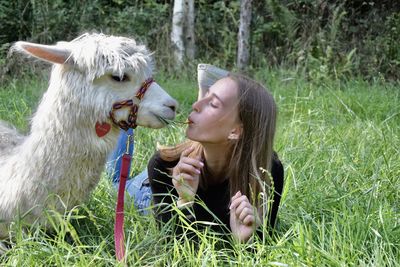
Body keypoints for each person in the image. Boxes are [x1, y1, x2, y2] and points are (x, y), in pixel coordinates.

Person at [107, 64, 284, 243]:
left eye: (213, 103)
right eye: (205, 95)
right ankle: (118, 114)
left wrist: (244, 242)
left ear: (235, 131)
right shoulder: (163, 165)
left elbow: (264, 243)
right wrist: (184, 201)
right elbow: (171, 248)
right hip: (145, 194)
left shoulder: (267, 171)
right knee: (116, 185)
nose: (195, 105)